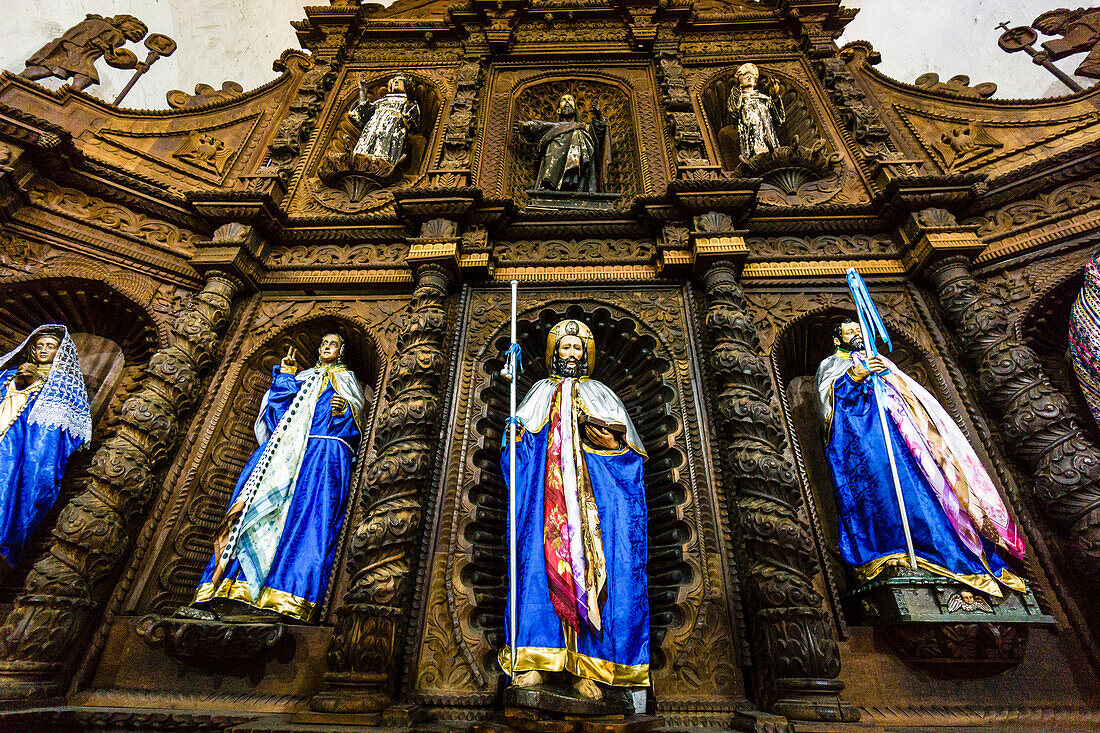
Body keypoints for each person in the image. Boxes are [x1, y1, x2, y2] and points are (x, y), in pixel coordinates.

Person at [816, 319, 1027, 597]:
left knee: (928, 495)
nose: (856, 333)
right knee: (886, 496)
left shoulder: (881, 361)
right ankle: (897, 554)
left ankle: (949, 554)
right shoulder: (832, 365)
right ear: (836, 339)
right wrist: (855, 376)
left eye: (859, 329)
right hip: (867, 445)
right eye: (849, 330)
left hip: (903, 441)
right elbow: (829, 408)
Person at [499, 319, 648, 701]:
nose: (571, 354)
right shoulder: (538, 391)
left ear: (587, 354)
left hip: (589, 506)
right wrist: (516, 436)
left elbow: (630, 460)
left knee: (595, 575)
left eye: (577, 348)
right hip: (545, 503)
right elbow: (518, 455)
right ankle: (535, 659)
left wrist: (610, 444)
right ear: (554, 353)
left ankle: (589, 668)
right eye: (564, 347)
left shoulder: (601, 393)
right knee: (536, 571)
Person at [189, 333, 365, 622]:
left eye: (333, 343)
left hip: (318, 457)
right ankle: (228, 593)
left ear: (342, 350)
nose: (326, 347)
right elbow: (277, 415)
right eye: (323, 343)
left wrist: (345, 409)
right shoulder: (303, 377)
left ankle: (286, 594)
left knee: (305, 520)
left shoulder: (348, 381)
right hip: (282, 456)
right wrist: (286, 374)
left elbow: (355, 420)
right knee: (254, 518)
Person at [0, 325, 91, 568]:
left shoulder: (63, 385)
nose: (43, 350)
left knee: (7, 486)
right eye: (39, 346)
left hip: (20, 449)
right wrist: (18, 382)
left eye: (50, 346)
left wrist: (36, 382)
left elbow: (56, 431)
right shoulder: (8, 373)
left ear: (59, 352)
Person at [21, 14, 147, 92]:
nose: (138, 34)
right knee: (50, 68)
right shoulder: (107, 29)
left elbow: (111, 55)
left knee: (85, 74)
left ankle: (73, 91)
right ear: (124, 22)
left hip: (80, 52)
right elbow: (102, 45)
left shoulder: (112, 33)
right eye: (136, 29)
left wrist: (133, 65)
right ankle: (20, 78)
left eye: (140, 34)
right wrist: (103, 46)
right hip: (75, 50)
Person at [515, 94, 611, 194]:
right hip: (554, 159)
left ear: (575, 108)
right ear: (559, 109)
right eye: (563, 100)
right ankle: (549, 185)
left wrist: (599, 115)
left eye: (570, 100)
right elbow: (540, 126)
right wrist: (526, 126)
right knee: (555, 144)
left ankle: (577, 185)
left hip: (581, 174)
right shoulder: (554, 127)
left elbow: (599, 134)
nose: (567, 102)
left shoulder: (584, 128)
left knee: (578, 134)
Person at [349, 74, 420, 167]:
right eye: (394, 81)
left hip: (393, 128)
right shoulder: (381, 101)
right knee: (366, 145)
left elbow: (412, 123)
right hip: (373, 127)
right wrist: (362, 93)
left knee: (384, 148)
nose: (396, 82)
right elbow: (363, 114)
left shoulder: (407, 101)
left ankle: (382, 164)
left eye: (400, 80)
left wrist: (409, 99)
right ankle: (360, 162)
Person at [726, 62, 785, 160]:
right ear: (739, 80)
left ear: (756, 80)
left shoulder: (764, 99)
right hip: (750, 137)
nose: (749, 77)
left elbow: (779, 119)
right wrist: (736, 91)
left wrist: (775, 97)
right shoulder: (739, 98)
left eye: (752, 75)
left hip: (768, 136)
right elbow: (733, 110)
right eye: (744, 75)